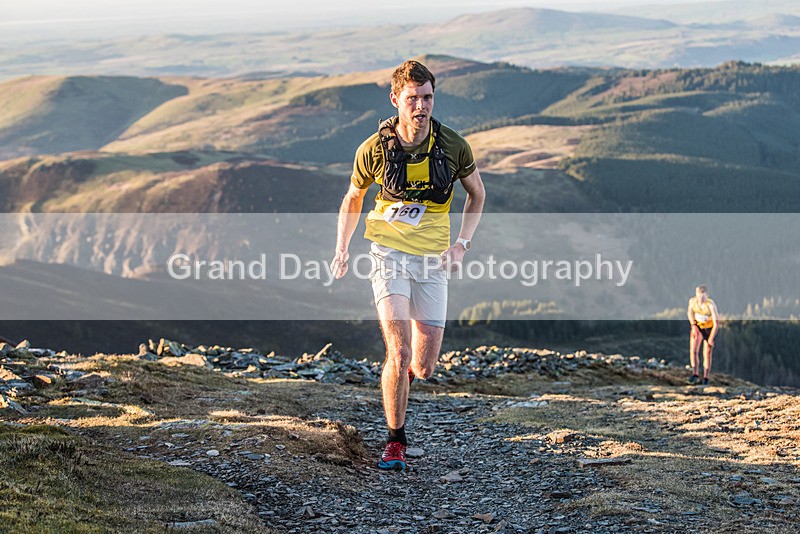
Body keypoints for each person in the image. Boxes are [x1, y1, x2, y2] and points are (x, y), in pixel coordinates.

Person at [331, 60, 485, 470]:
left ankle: (401, 380)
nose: (421, 106)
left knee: (424, 366)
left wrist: (462, 245)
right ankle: (395, 439)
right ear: (395, 99)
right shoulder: (374, 149)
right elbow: (353, 198)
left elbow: (477, 194)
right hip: (388, 253)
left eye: (427, 97)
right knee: (398, 352)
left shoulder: (453, 146)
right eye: (413, 98)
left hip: (433, 260)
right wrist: (342, 247)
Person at [687, 285, 719, 385]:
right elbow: (689, 313)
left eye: (703, 297)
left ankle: (706, 377)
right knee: (693, 350)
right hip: (698, 326)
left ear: (707, 295)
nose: (701, 299)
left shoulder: (710, 305)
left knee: (707, 353)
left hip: (709, 329)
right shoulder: (692, 302)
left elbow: (716, 324)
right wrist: (693, 325)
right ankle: (695, 374)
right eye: (699, 297)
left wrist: (711, 339)